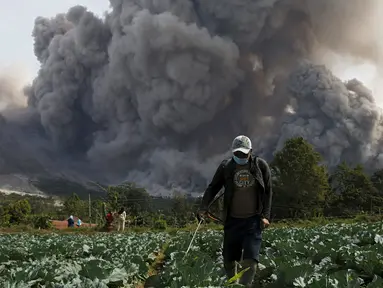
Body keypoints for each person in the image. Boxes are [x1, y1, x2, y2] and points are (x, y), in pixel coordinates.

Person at [198, 135, 272, 287]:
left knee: (251, 260)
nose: (241, 156)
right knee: (229, 260)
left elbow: (268, 191)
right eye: (237, 153)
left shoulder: (260, 166)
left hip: (253, 221)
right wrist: (203, 207)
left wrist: (266, 216)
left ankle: (244, 286)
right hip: (232, 220)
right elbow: (213, 187)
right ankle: (232, 284)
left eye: (244, 154)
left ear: (250, 151)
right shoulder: (226, 167)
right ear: (233, 152)